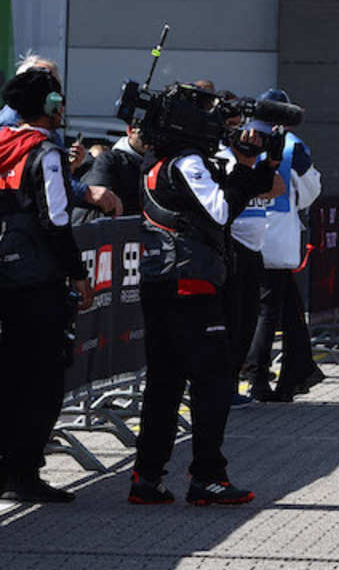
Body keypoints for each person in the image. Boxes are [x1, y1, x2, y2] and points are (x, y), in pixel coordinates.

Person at [128, 84, 277, 506]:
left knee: (165, 383)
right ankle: (207, 476)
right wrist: (244, 176)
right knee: (212, 381)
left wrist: (250, 167)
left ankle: (147, 477)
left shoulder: (155, 162)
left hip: (161, 281)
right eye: (208, 113)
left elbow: (220, 199)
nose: (218, 121)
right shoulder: (187, 161)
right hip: (189, 283)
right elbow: (220, 210)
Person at [0, 69, 93, 503]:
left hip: (5, 277)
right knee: (41, 379)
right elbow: (56, 220)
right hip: (37, 281)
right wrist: (77, 272)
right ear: (49, 106)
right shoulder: (45, 153)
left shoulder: (3, 144)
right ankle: (25, 473)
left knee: (8, 374)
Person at [246, 90, 324, 403]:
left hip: (243, 233)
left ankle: (298, 372)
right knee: (268, 311)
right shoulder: (293, 147)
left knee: (289, 309)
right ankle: (257, 377)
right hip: (277, 241)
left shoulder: (240, 137)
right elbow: (310, 190)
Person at [0, 54, 121, 218]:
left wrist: (69, 166)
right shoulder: (15, 129)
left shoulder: (39, 128)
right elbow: (34, 187)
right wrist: (86, 192)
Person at [219, 120, 286, 408]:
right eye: (237, 129)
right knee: (230, 321)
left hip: (253, 249)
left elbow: (277, 187)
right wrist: (249, 179)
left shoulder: (251, 159)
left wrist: (260, 166)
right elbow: (228, 197)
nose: (248, 136)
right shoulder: (219, 158)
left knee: (247, 321)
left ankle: (232, 384)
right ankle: (223, 387)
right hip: (230, 248)